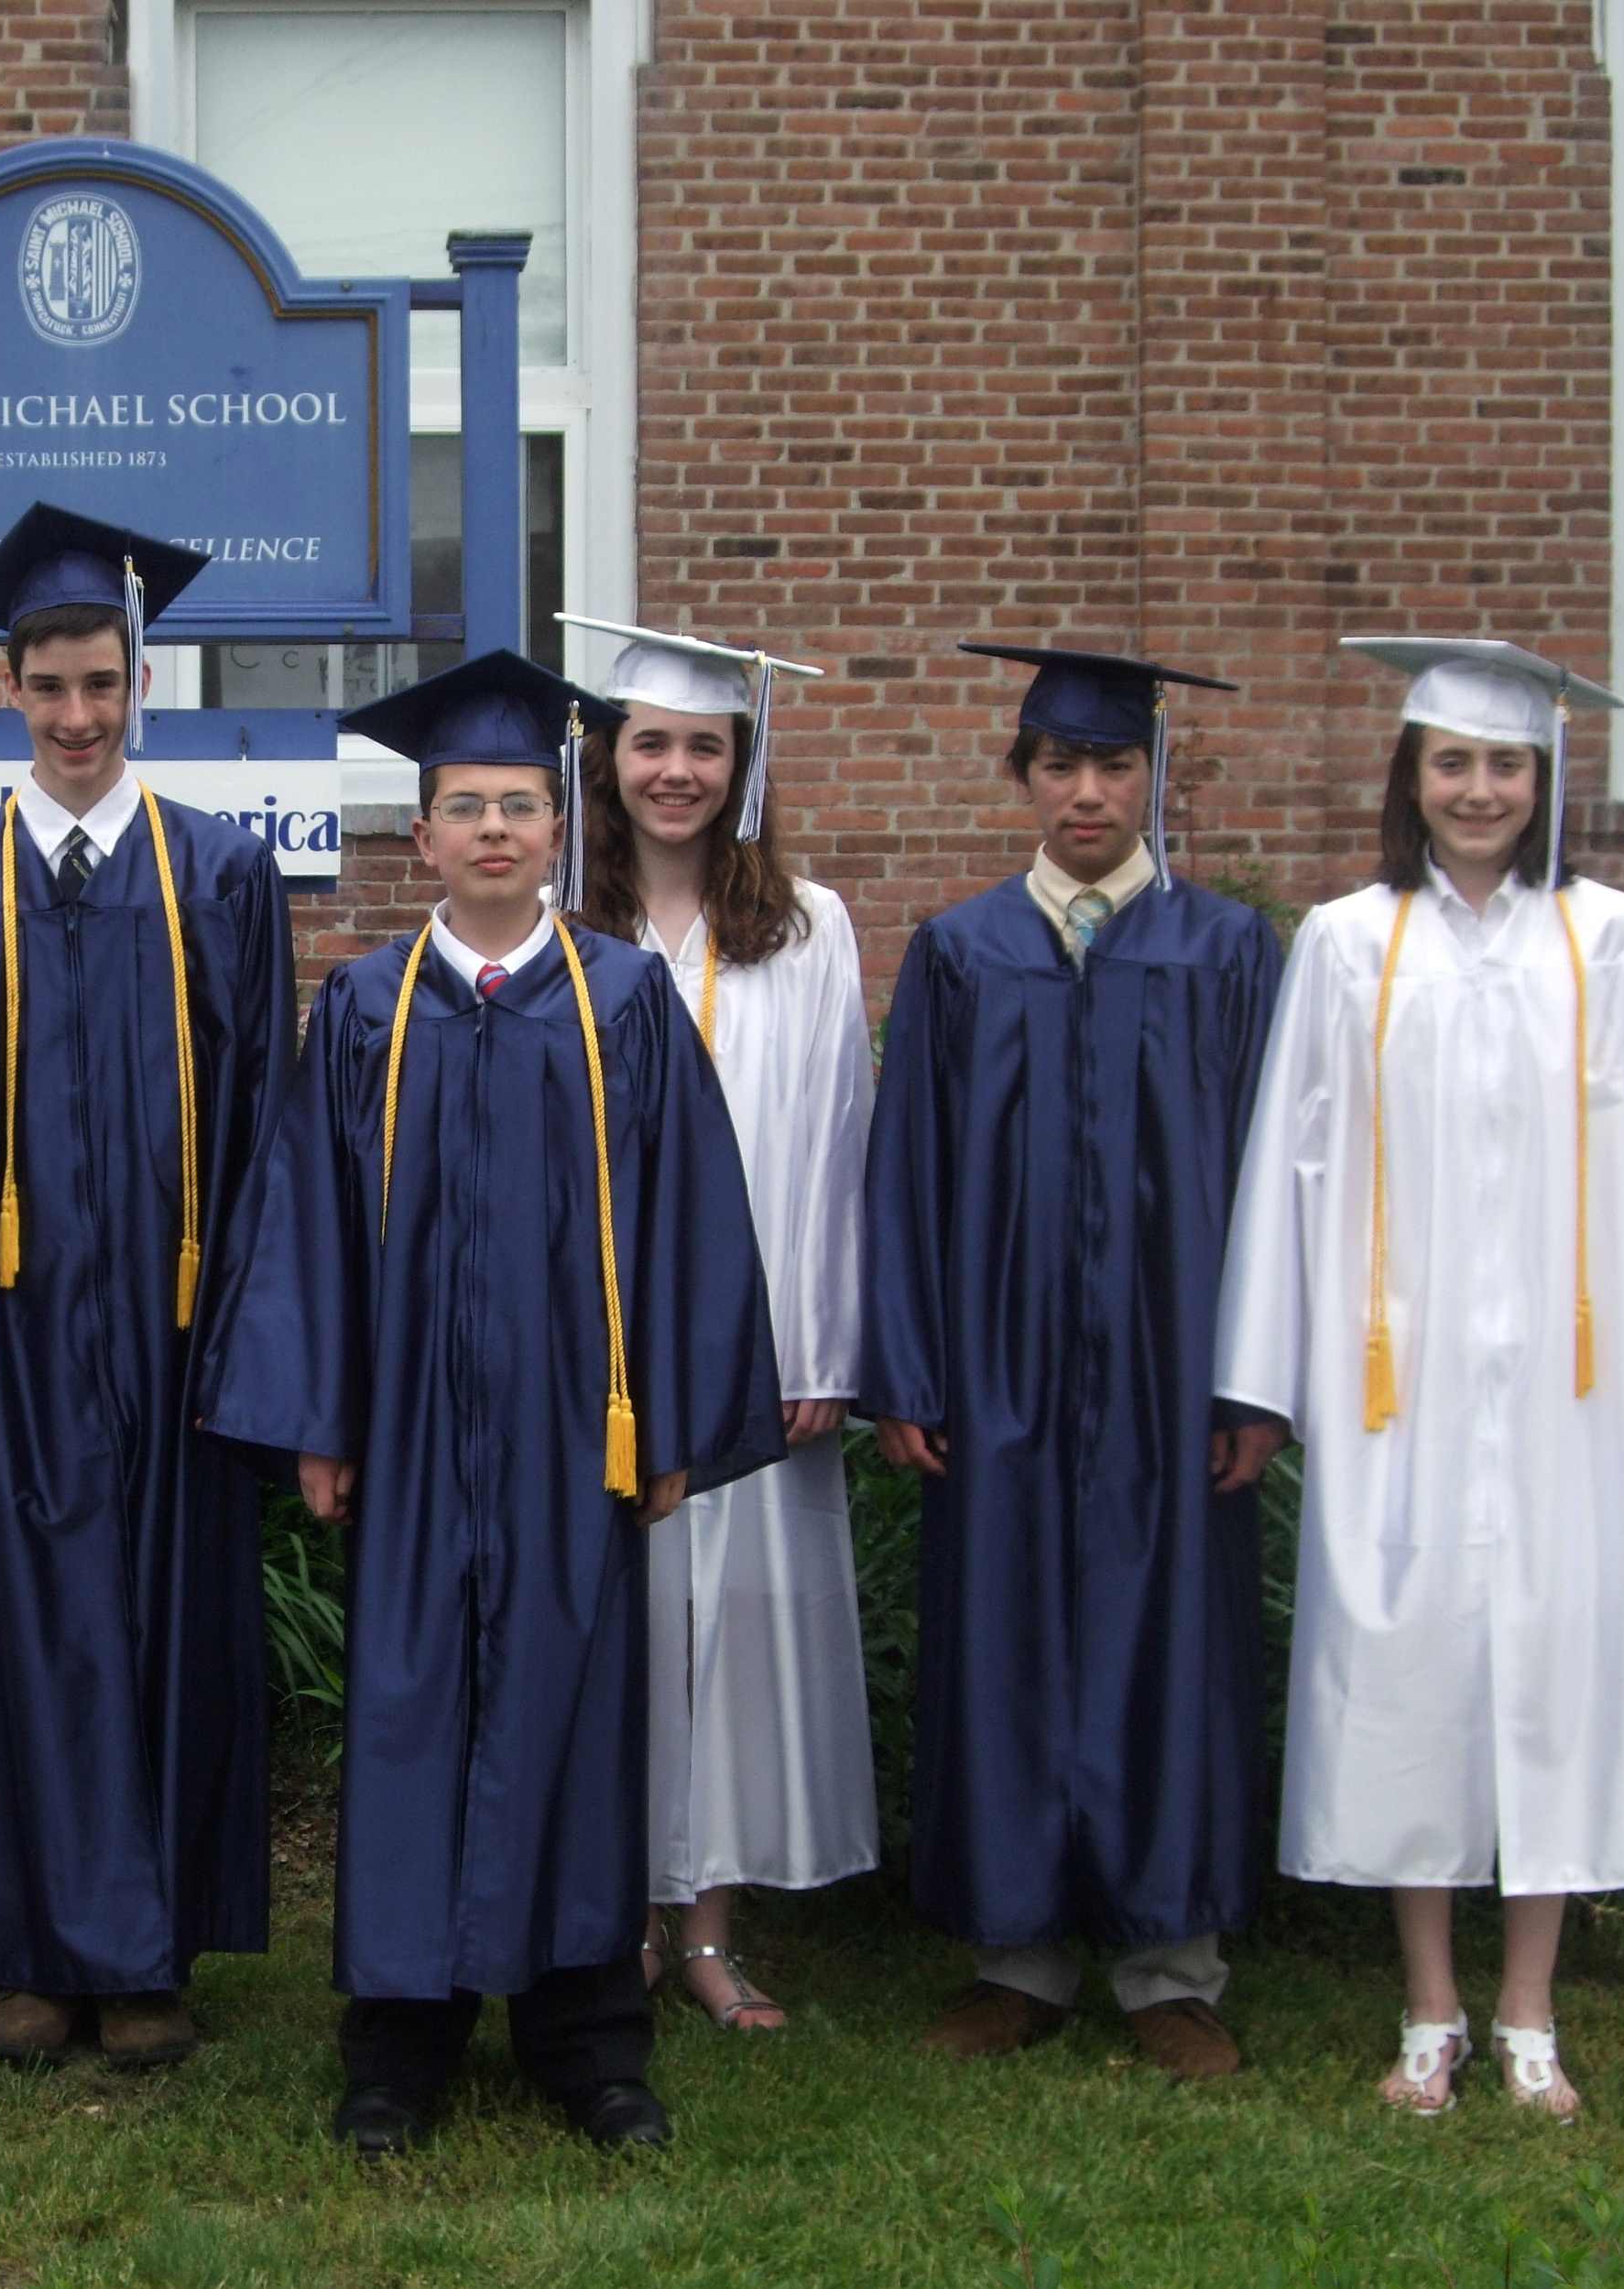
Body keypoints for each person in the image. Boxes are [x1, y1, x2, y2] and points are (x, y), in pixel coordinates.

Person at [202, 649, 782, 2155]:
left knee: (573, 1718)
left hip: (565, 1450)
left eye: (520, 805)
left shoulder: (625, 1005)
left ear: (554, 825)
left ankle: (587, 2037)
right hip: (405, 1445)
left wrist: (662, 1424)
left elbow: (685, 1228)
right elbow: (309, 1229)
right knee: (407, 1721)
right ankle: (396, 2043)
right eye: (464, 808)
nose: (494, 833)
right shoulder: (367, 1006)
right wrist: (319, 1418)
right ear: (424, 833)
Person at [1215, 639, 1624, 2122]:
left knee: (1560, 1670)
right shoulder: (1344, 942)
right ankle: (1428, 2006)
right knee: (1406, 1674)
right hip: (1406, 1382)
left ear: (1544, 776)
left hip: (1571, 1390)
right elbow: (1286, 1164)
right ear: (1412, 777)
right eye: (1453, 763)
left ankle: (1529, 2011)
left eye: (1505, 763)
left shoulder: (1614, 938)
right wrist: (1268, 1372)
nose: (1480, 789)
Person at [0, 501, 296, 2067]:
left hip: (175, 1342)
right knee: (17, 1636)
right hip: (6, 1343)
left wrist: (253, 1345)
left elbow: (266, 1127)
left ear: (139, 683)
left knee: (166, 1634)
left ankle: (152, 1956)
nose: (75, 718)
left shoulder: (224, 878)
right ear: (9, 690)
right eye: (47, 688)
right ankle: (29, 1955)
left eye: (100, 686)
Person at [862, 642, 1283, 2083]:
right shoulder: (961, 951)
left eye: (1112, 765)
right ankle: (1019, 1956)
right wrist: (905, 1370)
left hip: (1175, 1379)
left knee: (1171, 1642)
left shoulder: (1224, 952)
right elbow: (902, 1175)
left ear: (1154, 775)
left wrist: (1252, 1380)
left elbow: (1275, 1191)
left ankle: (1171, 1966)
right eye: (1060, 765)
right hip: (996, 1372)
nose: (1087, 792)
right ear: (1023, 778)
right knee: (1006, 1638)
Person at [559, 617, 877, 2030]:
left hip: (750, 1348)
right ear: (604, 759)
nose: (674, 771)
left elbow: (832, 1145)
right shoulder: (567, 923)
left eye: (702, 745)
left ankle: (705, 1927)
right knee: (609, 1626)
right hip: (594, 1345)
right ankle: (606, 1914)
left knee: (732, 1632)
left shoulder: (803, 931)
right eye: (649, 744)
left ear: (741, 764)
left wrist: (810, 1350)